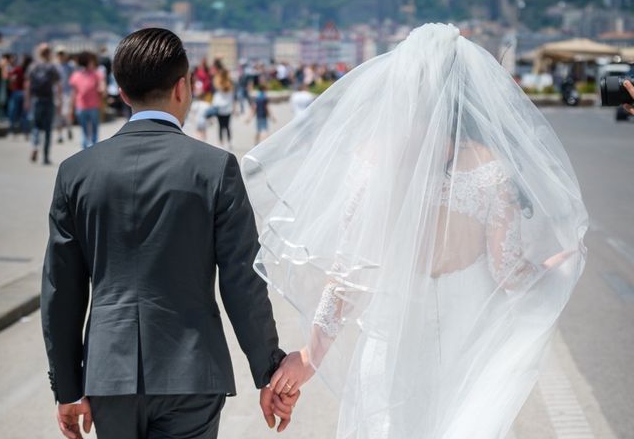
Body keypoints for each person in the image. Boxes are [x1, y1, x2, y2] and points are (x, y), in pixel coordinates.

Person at [241, 24, 588, 438]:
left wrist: (308, 359)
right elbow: (508, 271)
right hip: (465, 341)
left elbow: (346, 278)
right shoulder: (488, 164)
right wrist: (552, 268)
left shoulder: (373, 160)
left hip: (392, 341)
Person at [40, 28, 299, 439]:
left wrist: (68, 389)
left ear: (122, 93)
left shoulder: (76, 172)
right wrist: (268, 369)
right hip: (191, 370)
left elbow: (61, 289)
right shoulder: (215, 168)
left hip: (109, 374)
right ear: (183, 88)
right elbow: (242, 280)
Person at [26, 43, 61, 164]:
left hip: (36, 99)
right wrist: (59, 100)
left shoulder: (33, 66)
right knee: (47, 130)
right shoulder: (52, 67)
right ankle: (45, 156)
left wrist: (27, 100)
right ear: (49, 53)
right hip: (48, 99)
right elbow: (57, 84)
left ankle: (35, 145)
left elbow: (28, 84)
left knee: (35, 125)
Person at [69, 51, 103, 149]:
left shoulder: (75, 75)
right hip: (94, 106)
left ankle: (84, 151)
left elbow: (73, 94)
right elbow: (102, 89)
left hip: (81, 107)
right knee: (94, 131)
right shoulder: (97, 74)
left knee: (84, 132)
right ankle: (94, 151)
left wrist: (71, 109)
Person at [211, 68, 236, 150]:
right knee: (227, 126)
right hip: (228, 108)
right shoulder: (230, 84)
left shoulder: (218, 83)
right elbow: (232, 97)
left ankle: (221, 143)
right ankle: (229, 142)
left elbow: (216, 94)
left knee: (220, 126)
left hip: (220, 108)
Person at [55, 48, 74, 143]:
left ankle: (69, 127)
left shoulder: (70, 66)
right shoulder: (54, 66)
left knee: (66, 114)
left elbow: (73, 80)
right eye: (59, 54)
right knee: (58, 115)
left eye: (62, 54)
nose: (61, 56)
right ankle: (59, 135)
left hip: (67, 92)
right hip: (57, 93)